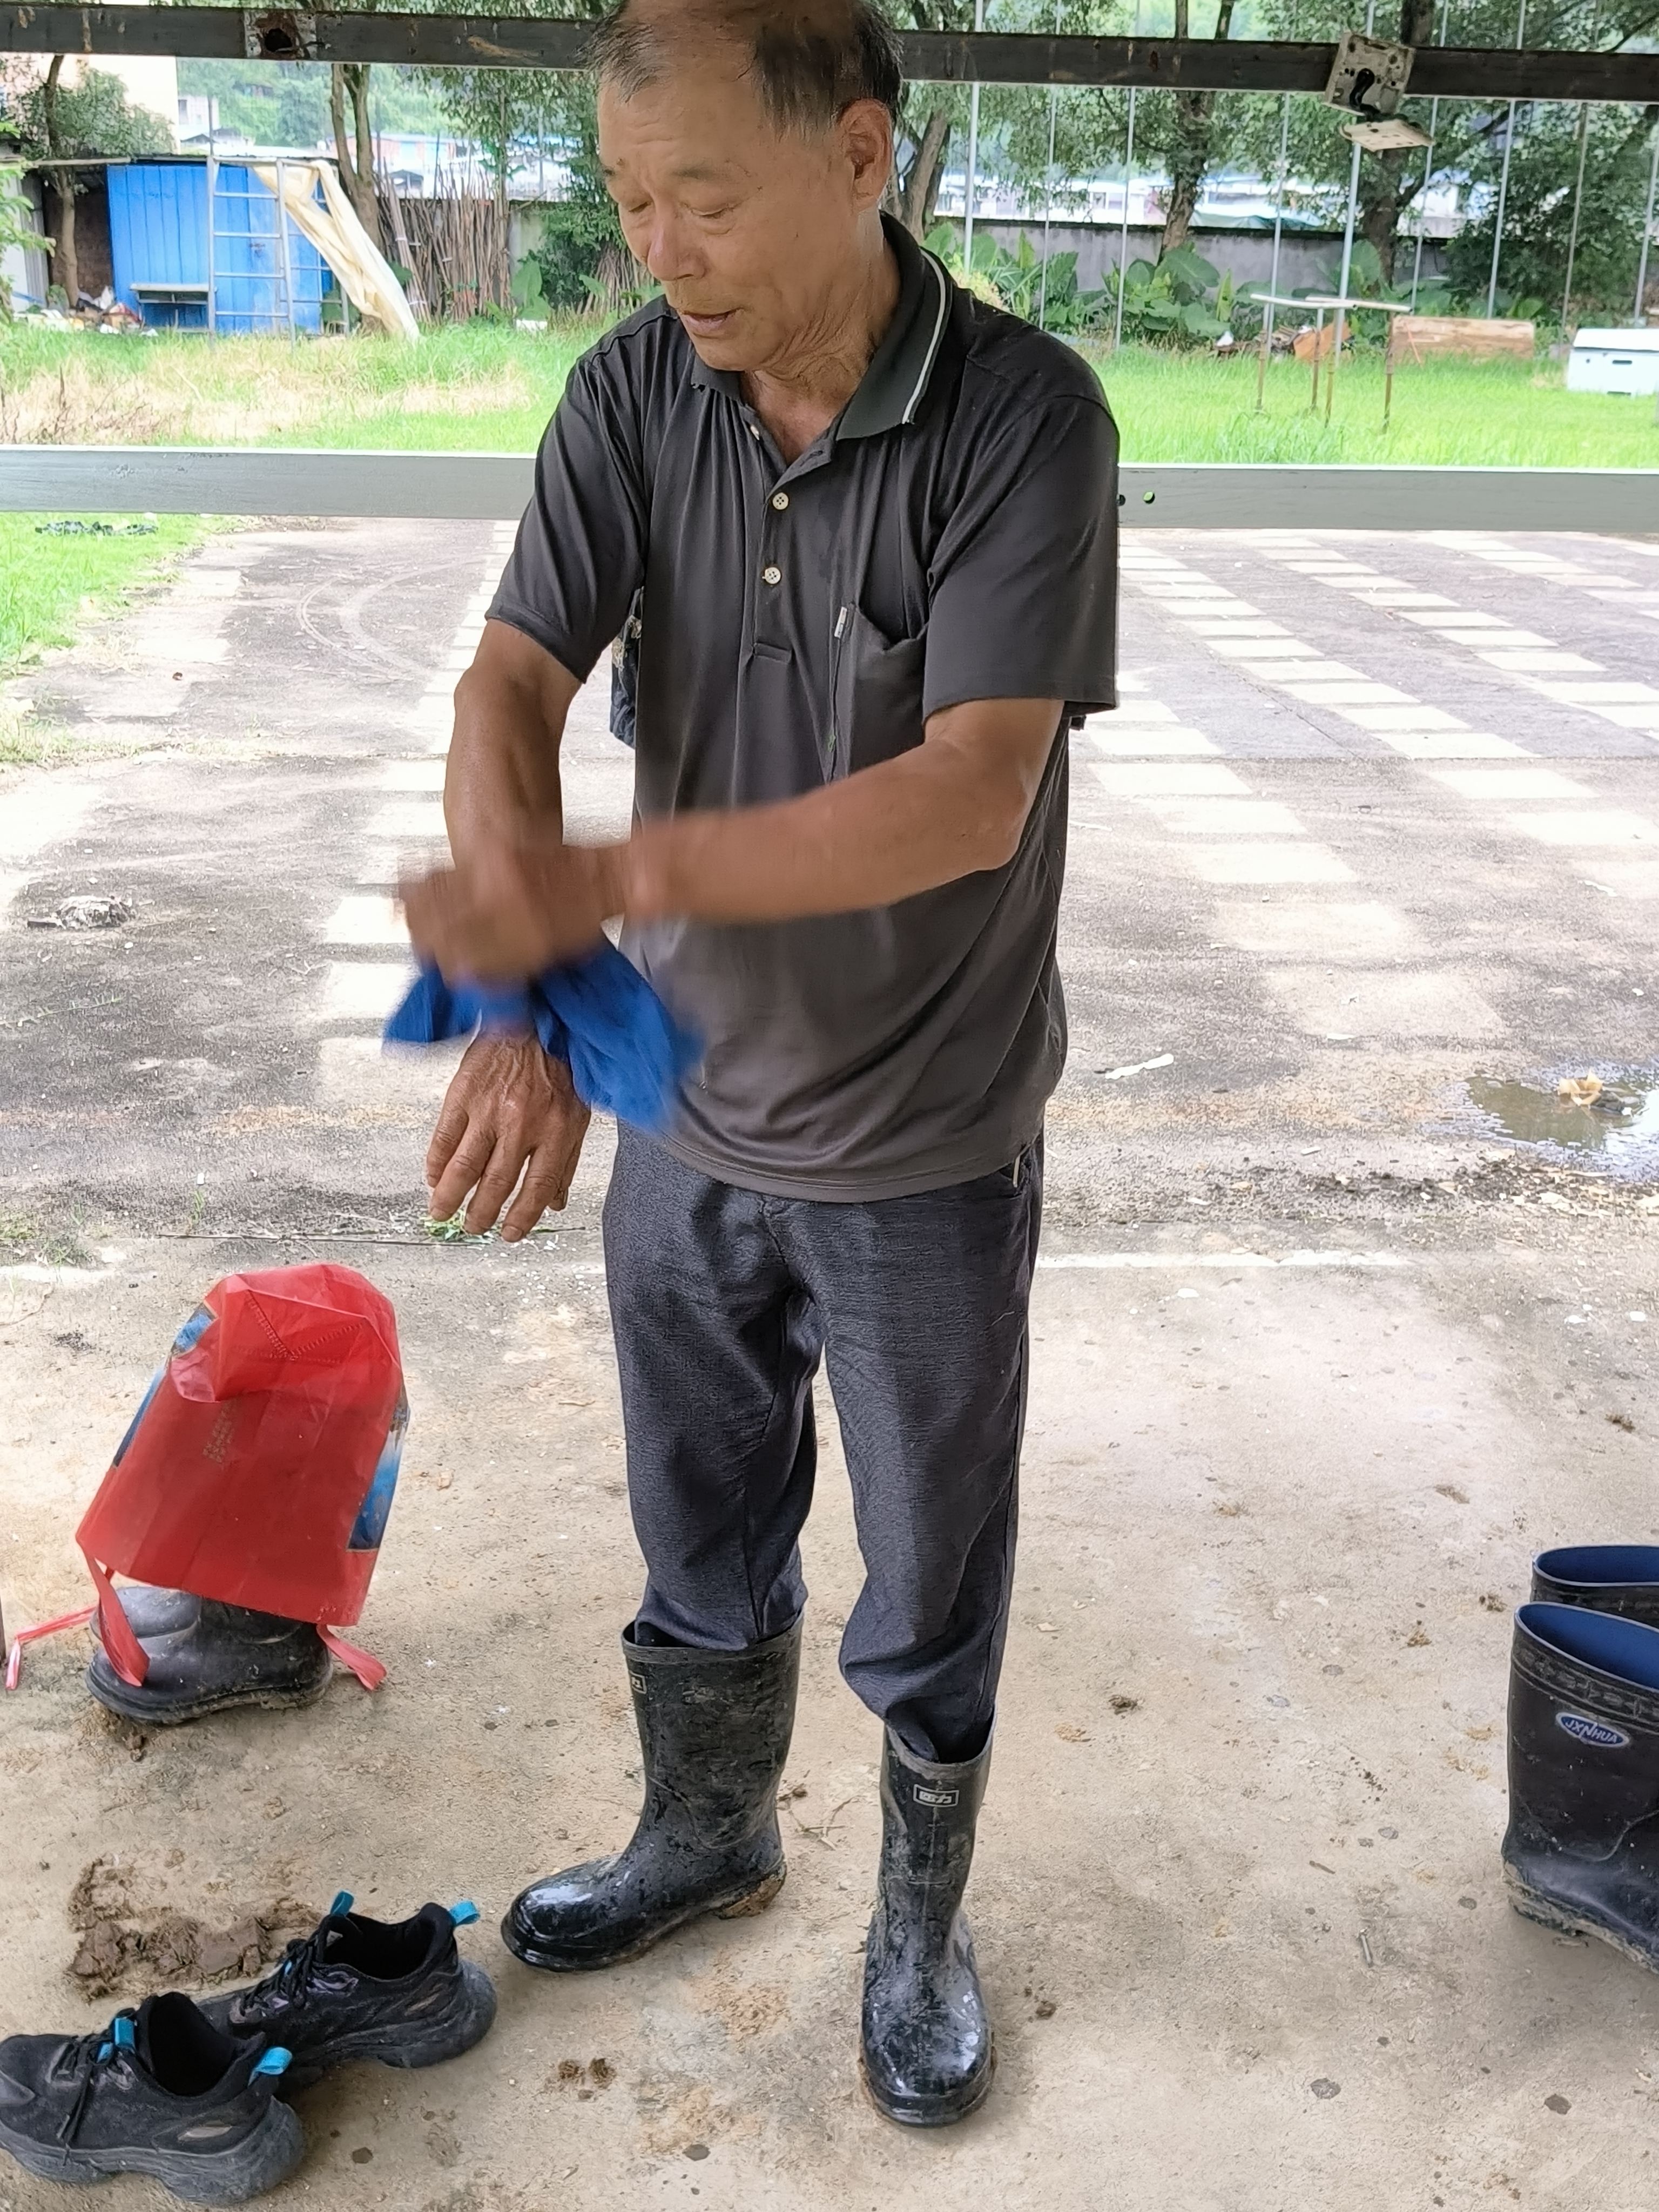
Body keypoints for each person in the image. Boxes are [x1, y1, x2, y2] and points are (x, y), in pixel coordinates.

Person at [401, 0, 1117, 2128]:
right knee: (697, 1513)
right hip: (687, 1108)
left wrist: (605, 875)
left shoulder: (1024, 419)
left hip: (923, 1131)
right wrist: (531, 987)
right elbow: (508, 683)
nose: (661, 250)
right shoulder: (636, 392)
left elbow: (969, 794)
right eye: (629, 202)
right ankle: (708, 1832)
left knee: (930, 1560)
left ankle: (917, 1926)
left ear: (861, 157)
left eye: (702, 197)